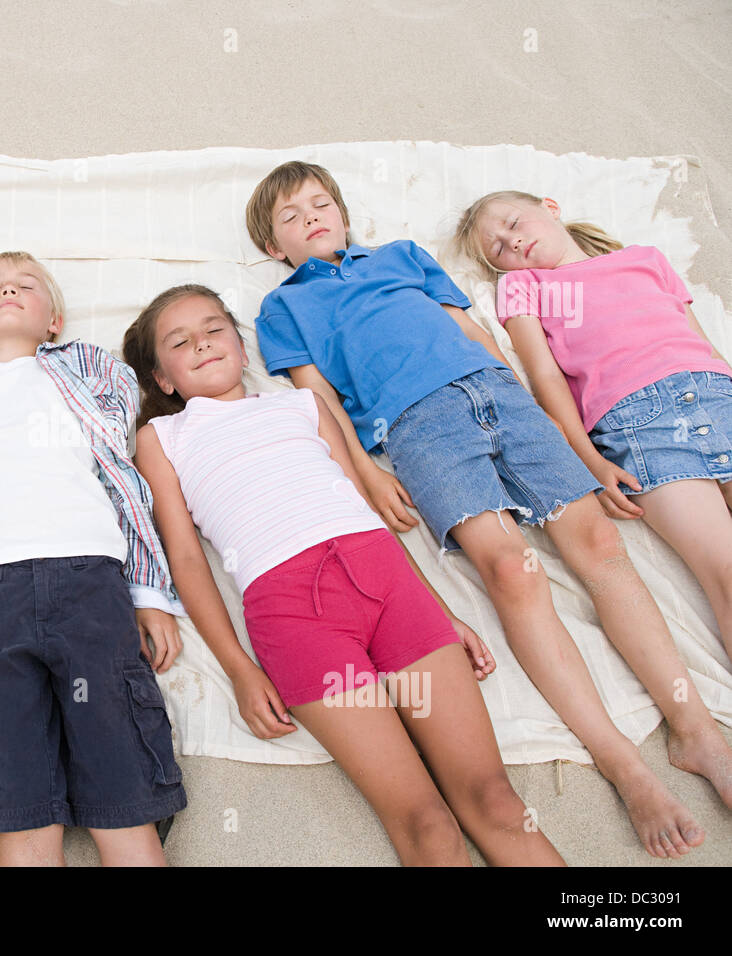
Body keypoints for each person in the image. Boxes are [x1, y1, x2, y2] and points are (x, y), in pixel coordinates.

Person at [243, 160, 732, 858]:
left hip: (498, 392)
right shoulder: (283, 308)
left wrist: (535, 409)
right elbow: (316, 399)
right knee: (513, 572)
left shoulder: (402, 257)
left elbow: (474, 332)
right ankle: (623, 765)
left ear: (345, 215)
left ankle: (695, 731)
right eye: (292, 216)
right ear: (273, 247)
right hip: (417, 425)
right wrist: (366, 477)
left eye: (322, 203)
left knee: (600, 549)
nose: (312, 217)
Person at [123, 283, 564, 865]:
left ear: (239, 340)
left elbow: (364, 505)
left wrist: (442, 611)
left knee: (496, 801)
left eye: (213, 328)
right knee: (428, 825)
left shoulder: (302, 403)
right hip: (294, 615)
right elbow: (184, 558)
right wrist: (240, 670)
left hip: (387, 583)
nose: (203, 343)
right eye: (180, 342)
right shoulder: (162, 437)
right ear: (164, 380)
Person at [0, 251, 186, 866]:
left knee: (121, 775)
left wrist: (149, 594)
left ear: (53, 320)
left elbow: (121, 478)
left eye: (27, 286)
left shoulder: (87, 368)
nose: (9, 290)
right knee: (16, 798)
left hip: (89, 576)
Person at [455, 189, 732, 662]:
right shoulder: (527, 287)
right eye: (498, 248)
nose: (512, 241)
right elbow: (545, 377)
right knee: (725, 569)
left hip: (716, 393)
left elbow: (703, 343)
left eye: (514, 223)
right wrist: (590, 460)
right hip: (642, 424)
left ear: (550, 206)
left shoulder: (645, 258)